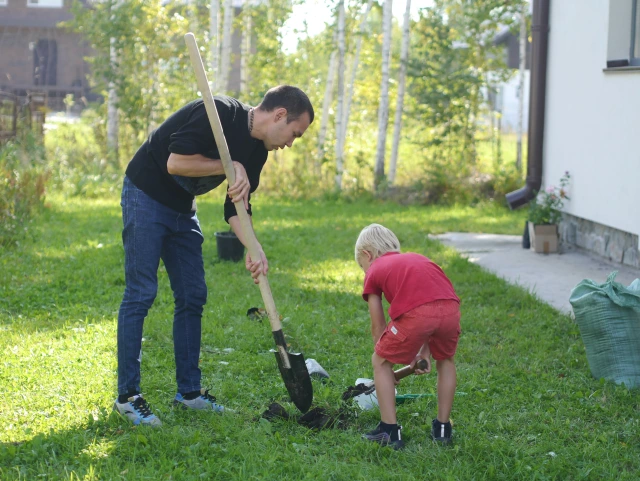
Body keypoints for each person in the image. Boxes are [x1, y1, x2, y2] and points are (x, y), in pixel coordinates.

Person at [113, 85, 314, 426]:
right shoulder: (219, 113)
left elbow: (236, 207)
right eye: (294, 133)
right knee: (141, 293)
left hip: (180, 208)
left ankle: (189, 394)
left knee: (193, 294)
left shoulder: (258, 152)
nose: (290, 143)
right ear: (279, 116)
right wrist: (230, 164)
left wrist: (254, 247)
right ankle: (128, 398)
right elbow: (175, 162)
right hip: (145, 194)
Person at [354, 223, 461, 449]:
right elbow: (434, 305)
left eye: (363, 267)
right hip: (451, 309)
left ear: (367, 254)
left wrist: (384, 358)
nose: (366, 272)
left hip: (417, 314)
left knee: (379, 361)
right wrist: (424, 352)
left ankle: (389, 431)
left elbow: (378, 324)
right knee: (447, 361)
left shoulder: (375, 269)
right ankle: (443, 429)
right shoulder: (420, 259)